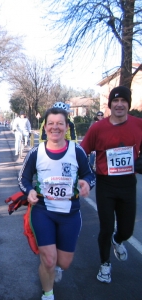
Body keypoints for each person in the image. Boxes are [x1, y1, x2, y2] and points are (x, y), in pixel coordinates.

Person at [18, 107, 95, 300]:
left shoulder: (76, 150)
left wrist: (86, 184)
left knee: (64, 262)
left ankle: (55, 268)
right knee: (49, 259)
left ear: (67, 126)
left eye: (60, 123)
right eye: (50, 123)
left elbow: (89, 174)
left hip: (70, 213)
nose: (55, 127)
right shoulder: (37, 152)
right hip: (43, 210)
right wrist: (30, 191)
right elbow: (23, 178)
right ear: (45, 127)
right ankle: (48, 293)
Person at [80, 86, 142, 284]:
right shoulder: (98, 128)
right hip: (106, 184)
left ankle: (118, 240)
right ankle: (105, 264)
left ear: (128, 104)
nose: (119, 104)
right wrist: (84, 177)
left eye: (124, 101)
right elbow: (83, 153)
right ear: (110, 105)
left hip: (128, 184)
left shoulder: (139, 125)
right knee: (106, 227)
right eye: (115, 101)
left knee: (126, 230)